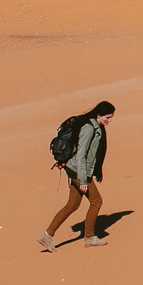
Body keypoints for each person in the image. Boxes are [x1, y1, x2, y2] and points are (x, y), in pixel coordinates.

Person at [40, 101, 115, 249]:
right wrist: (82, 180)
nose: (110, 120)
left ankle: (47, 236)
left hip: (76, 170)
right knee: (96, 202)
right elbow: (81, 155)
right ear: (99, 115)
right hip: (78, 171)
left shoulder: (96, 127)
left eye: (111, 117)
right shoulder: (89, 129)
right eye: (107, 117)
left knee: (72, 205)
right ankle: (89, 237)